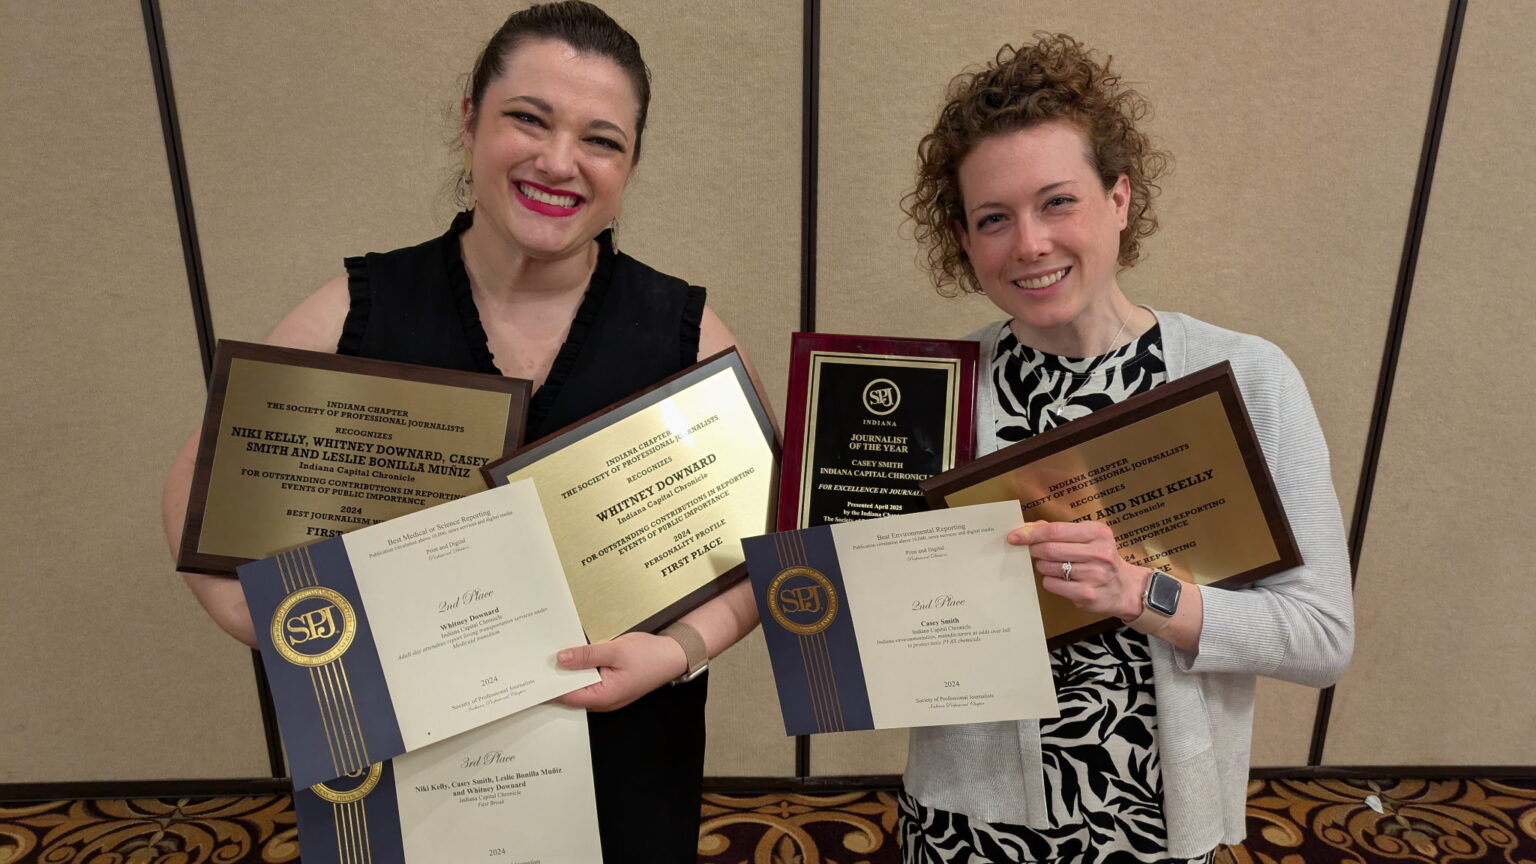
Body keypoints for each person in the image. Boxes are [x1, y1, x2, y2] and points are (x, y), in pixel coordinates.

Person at [160, 3, 764, 860]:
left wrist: (677, 653)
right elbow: (197, 490)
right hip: (412, 761)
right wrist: (310, 643)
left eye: (601, 139)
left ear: (630, 164)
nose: (560, 161)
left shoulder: (683, 331)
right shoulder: (361, 307)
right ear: (471, 120)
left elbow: (767, 548)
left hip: (620, 752)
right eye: (528, 118)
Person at [897, 34, 1354, 863]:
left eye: (1057, 202)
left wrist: (1138, 590)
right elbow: (890, 634)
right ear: (964, 241)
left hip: (1158, 829)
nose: (1029, 244)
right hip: (967, 824)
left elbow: (1321, 638)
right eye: (993, 219)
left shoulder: (1248, 378)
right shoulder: (936, 396)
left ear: (1119, 197)